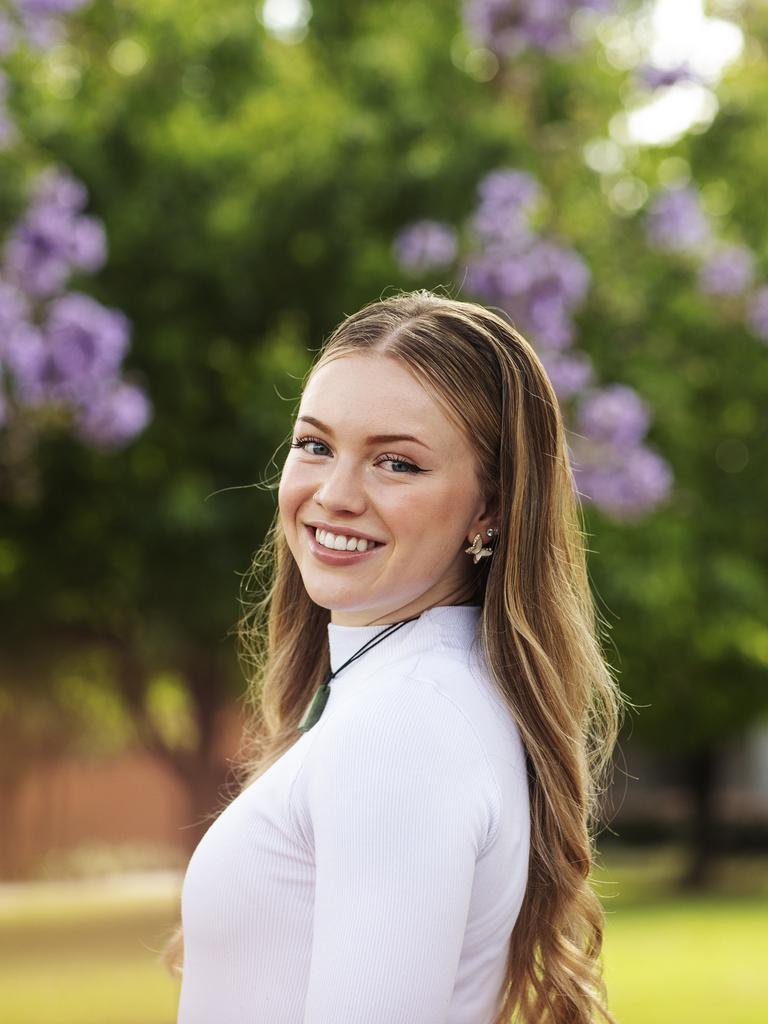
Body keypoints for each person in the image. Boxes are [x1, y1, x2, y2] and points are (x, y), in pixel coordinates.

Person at [164, 289, 625, 1024]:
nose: (334, 495)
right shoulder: (409, 686)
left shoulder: (405, 726)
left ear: (490, 507)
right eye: (315, 445)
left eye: (397, 464)